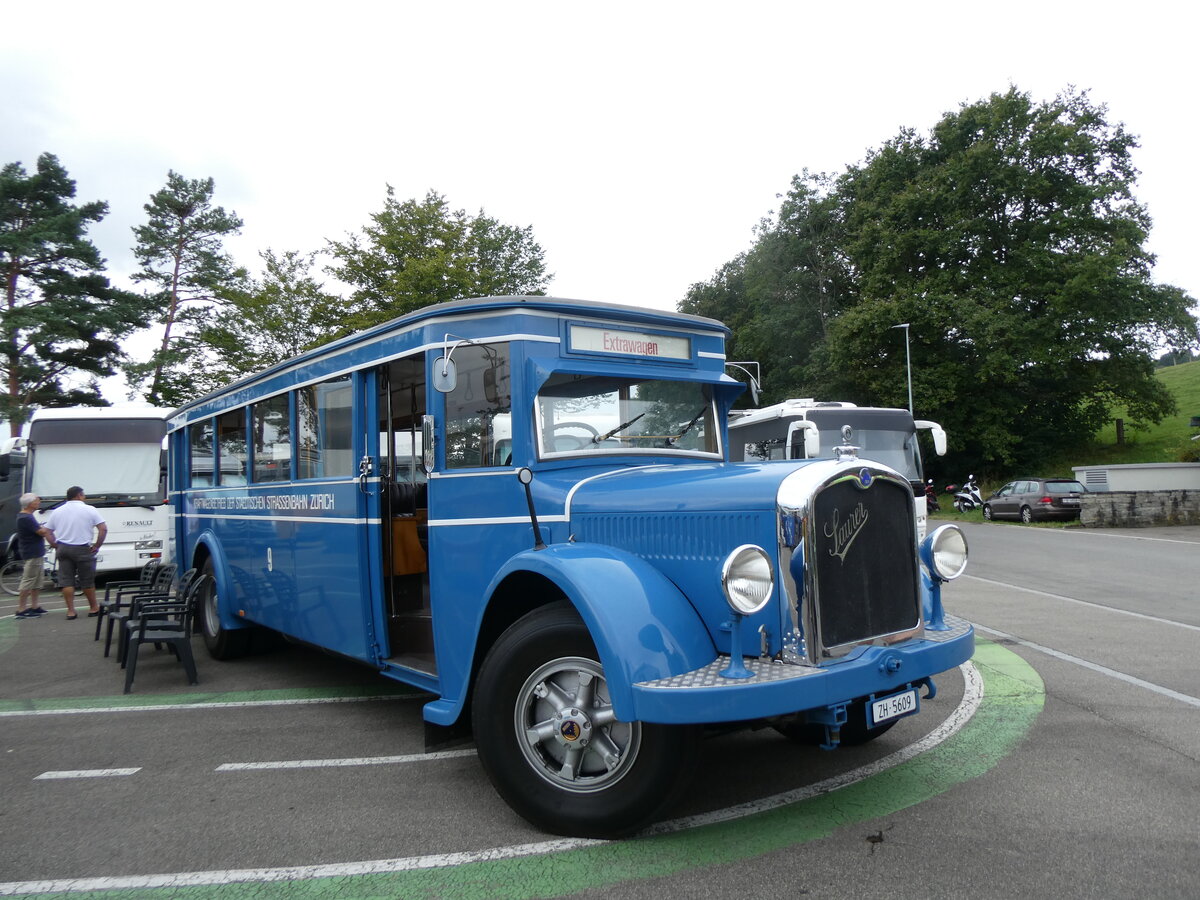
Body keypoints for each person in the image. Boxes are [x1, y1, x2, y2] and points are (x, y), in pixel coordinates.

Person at [44, 486, 106, 620]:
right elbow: (103, 529)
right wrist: (97, 545)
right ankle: (93, 608)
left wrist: (55, 545)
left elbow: (47, 531)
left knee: (66, 581)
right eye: (83, 495)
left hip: (63, 548)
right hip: (82, 548)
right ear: (79, 495)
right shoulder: (90, 509)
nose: (84, 497)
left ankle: (71, 611)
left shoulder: (57, 511)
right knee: (87, 580)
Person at [14, 492, 55, 618]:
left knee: (37, 581)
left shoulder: (27, 516)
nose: (38, 503)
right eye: (36, 501)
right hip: (32, 552)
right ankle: (21, 609)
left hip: (36, 551)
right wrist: (49, 527)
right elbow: (41, 532)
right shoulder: (26, 517)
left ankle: (35, 606)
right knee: (28, 580)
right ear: (30, 503)